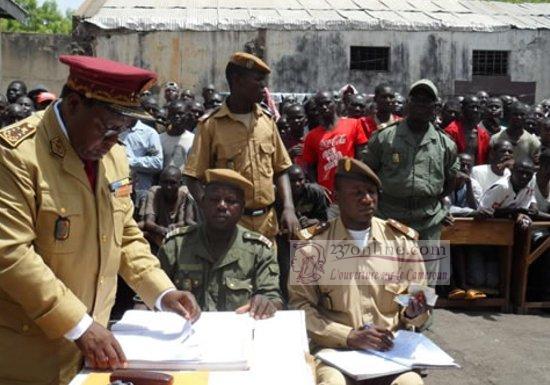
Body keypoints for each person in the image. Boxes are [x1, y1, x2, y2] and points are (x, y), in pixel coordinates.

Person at [0, 55, 201, 385]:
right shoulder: (16, 155)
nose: (113, 142)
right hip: (30, 355)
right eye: (108, 128)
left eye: (123, 131)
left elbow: (124, 233)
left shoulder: (115, 156)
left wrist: (162, 292)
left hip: (94, 349)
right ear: (75, 104)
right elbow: (11, 255)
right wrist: (78, 324)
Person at [288, 157, 429, 385]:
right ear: (336, 198)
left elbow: (420, 302)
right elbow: (300, 307)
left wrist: (414, 313)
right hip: (336, 353)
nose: (367, 200)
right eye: (357, 193)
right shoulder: (313, 247)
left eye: (372, 192)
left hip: (390, 351)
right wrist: (348, 336)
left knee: (411, 383)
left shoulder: (401, 242)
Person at [183, 52, 299, 242]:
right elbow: (192, 176)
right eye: (258, 80)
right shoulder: (211, 125)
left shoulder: (266, 120)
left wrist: (288, 207)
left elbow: (281, 168)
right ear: (237, 80)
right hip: (231, 227)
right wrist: (212, 211)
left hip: (267, 224)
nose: (264, 86)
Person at [158, 168, 283, 318]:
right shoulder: (176, 245)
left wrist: (266, 303)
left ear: (242, 208)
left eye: (231, 201)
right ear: (202, 203)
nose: (222, 206)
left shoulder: (259, 250)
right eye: (214, 199)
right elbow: (150, 297)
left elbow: (273, 299)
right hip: (183, 333)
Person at [366, 80, 459, 240]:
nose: (421, 104)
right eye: (416, 100)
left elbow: (452, 177)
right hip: (389, 217)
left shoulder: (446, 144)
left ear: (435, 107)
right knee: (387, 265)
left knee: (425, 265)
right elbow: (368, 174)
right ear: (408, 104)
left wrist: (435, 202)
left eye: (427, 101)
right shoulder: (384, 138)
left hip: (428, 221)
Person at [302, 91, 368, 199]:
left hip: (351, 189)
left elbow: (361, 157)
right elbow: (310, 167)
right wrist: (317, 188)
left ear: (335, 103)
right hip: (327, 194)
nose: (324, 107)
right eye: (320, 105)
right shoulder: (311, 136)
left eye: (327, 103)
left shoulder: (353, 124)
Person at [143, 166, 197, 251]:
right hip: (158, 233)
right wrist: (161, 229)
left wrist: (174, 226)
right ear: (160, 182)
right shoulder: (154, 192)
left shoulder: (184, 194)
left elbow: (183, 222)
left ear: (180, 183)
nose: (168, 187)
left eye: (173, 183)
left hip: (177, 234)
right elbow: (149, 222)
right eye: (165, 182)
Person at [119, 118, 164, 203]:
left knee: (139, 213)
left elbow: (157, 163)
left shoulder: (149, 133)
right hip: (120, 187)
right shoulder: (116, 131)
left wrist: (128, 161)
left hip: (141, 189)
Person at [444, 95, 490, 165]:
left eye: (478, 107)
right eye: (472, 107)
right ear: (463, 109)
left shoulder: (483, 135)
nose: (475, 110)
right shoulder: (451, 131)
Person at [161, 99, 195, 169]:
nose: (176, 116)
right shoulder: (159, 139)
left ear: (187, 116)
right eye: (173, 113)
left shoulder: (193, 140)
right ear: (168, 116)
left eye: (180, 113)